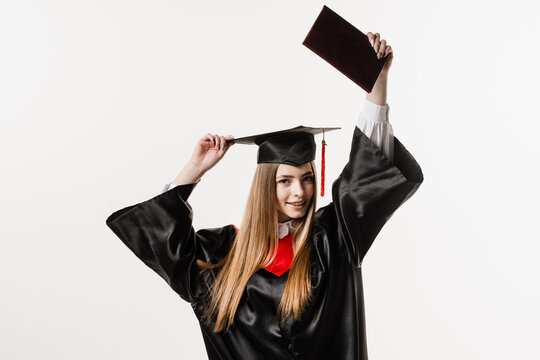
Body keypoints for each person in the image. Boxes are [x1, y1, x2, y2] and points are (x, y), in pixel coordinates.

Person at [106, 32, 423, 360]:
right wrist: (194, 168)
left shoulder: (334, 240)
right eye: (285, 181)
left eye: (307, 179)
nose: (299, 191)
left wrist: (377, 87)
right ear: (264, 187)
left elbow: (366, 181)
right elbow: (164, 244)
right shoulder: (220, 256)